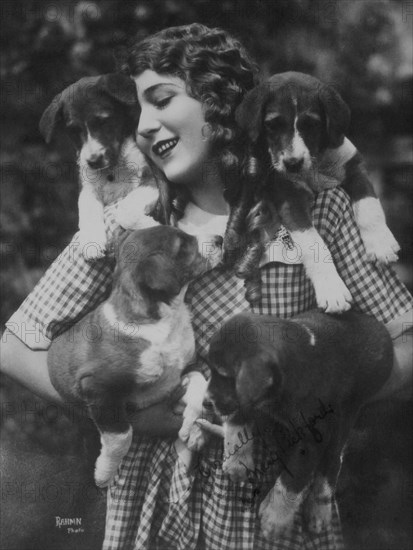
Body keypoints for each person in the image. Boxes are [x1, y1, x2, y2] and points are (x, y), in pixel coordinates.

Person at [1, 23, 412, 550]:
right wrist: (144, 419)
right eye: (137, 111)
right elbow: (15, 347)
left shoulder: (317, 208)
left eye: (162, 100)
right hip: (156, 505)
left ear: (219, 102)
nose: (145, 125)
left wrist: (313, 403)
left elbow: (405, 339)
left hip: (276, 499)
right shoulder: (131, 225)